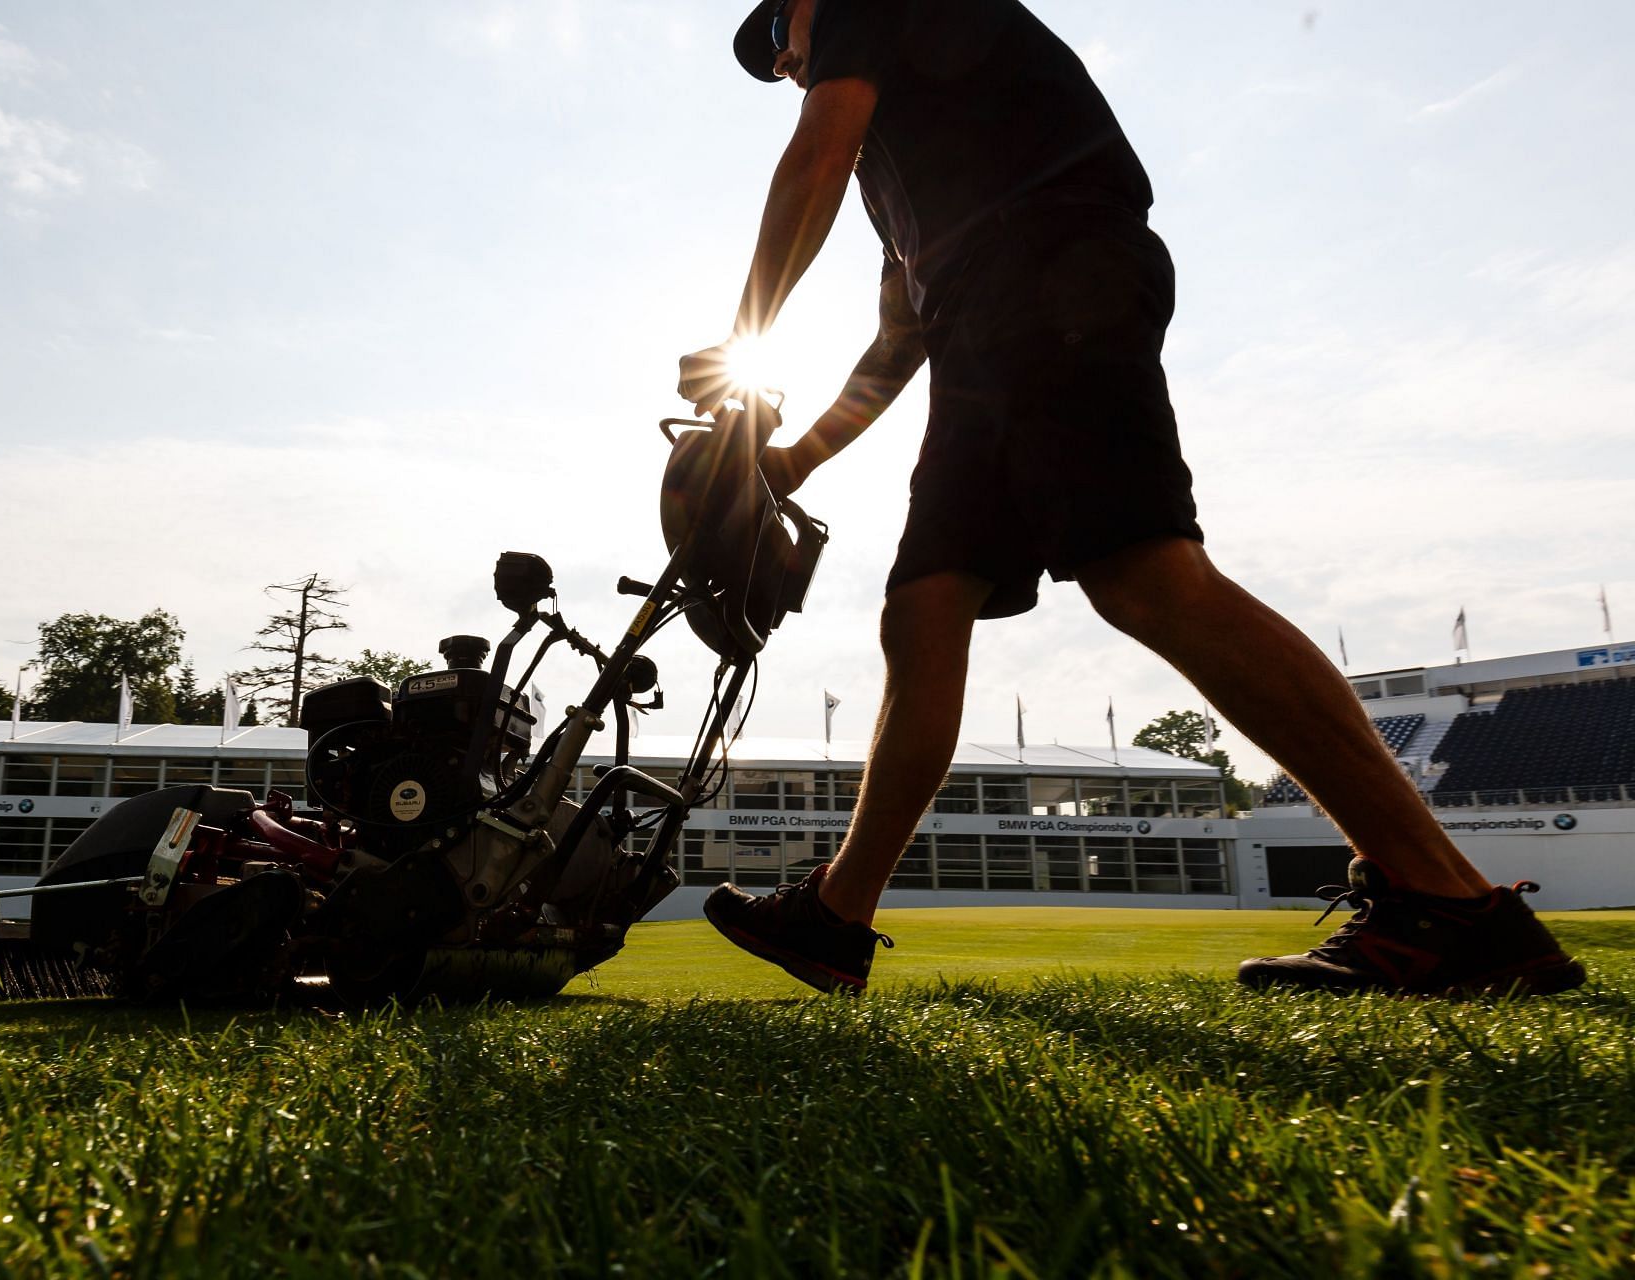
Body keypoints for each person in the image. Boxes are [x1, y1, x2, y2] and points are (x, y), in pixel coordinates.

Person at [676, 0, 1583, 997]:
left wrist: (743, 337)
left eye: (779, 44)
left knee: (1143, 570)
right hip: (986, 316)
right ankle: (836, 915)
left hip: (1053, 271)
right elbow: (901, 336)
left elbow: (817, 153)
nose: (785, 67)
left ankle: (1450, 902)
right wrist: (796, 459)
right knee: (927, 604)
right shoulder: (911, 163)